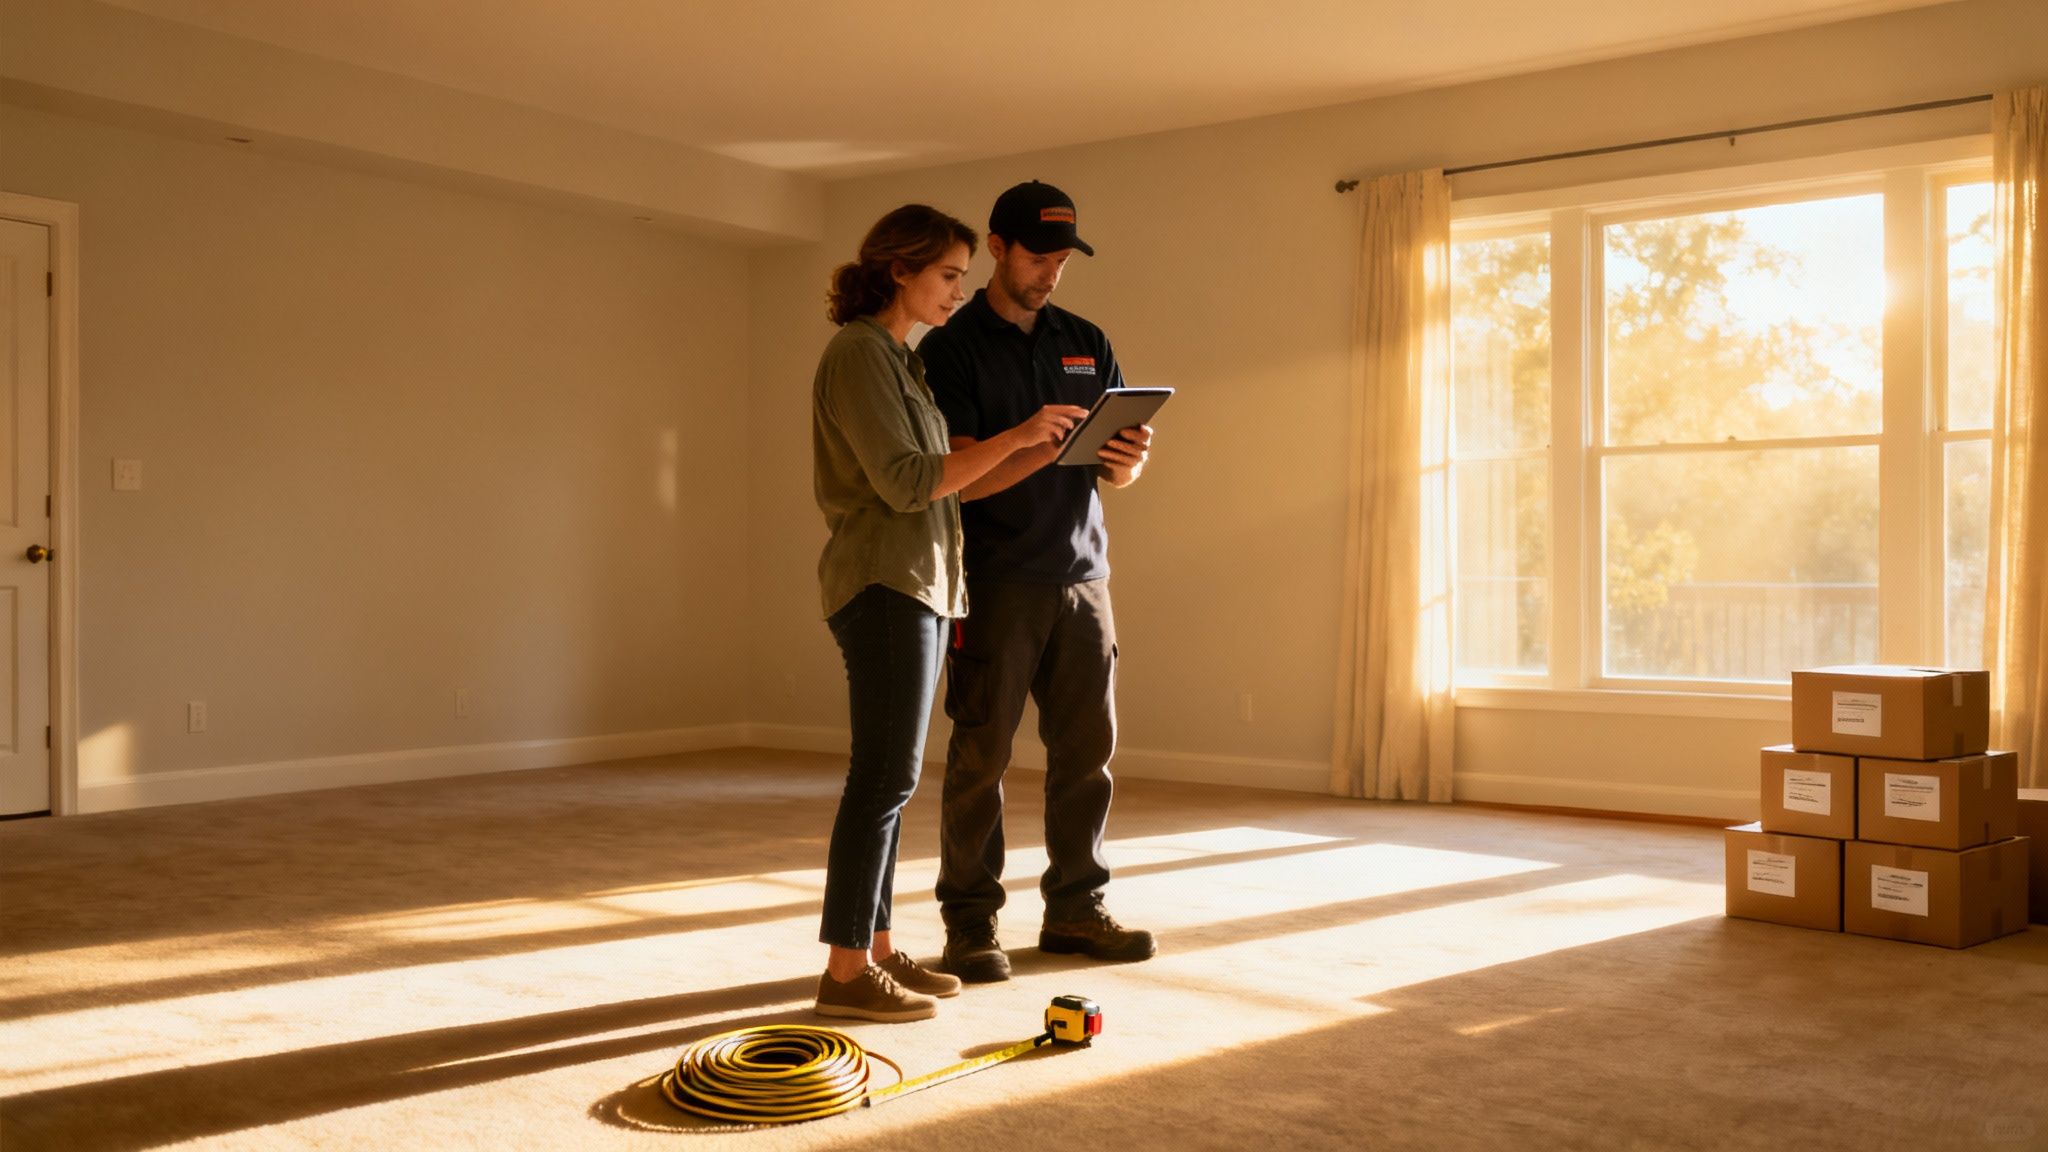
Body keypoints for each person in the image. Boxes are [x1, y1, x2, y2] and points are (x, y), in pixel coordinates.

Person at [809, 203, 1087, 1021]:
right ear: (900, 269)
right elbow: (906, 481)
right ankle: (846, 971)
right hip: (882, 585)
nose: (959, 292)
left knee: (893, 781)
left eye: (964, 277)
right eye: (948, 276)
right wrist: (1018, 433)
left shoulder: (899, 358)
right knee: (882, 779)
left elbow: (949, 475)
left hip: (922, 584)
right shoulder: (859, 354)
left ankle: (881, 951)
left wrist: (1039, 448)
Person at [917, 181, 1157, 983]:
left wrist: (1127, 462)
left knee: (1087, 752)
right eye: (1037, 255)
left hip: (1085, 575)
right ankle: (970, 921)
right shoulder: (949, 349)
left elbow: (1111, 474)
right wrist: (1036, 445)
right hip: (994, 579)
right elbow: (956, 479)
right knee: (981, 754)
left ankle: (1076, 909)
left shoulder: (1085, 339)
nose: (1050, 272)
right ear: (997, 247)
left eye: (1061, 258)